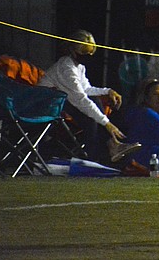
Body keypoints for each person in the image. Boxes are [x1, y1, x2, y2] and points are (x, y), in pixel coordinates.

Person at [38, 29, 141, 163]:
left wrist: (108, 91)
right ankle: (101, 153)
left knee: (93, 105)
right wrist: (107, 123)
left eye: (91, 53)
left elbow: (86, 89)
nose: (89, 56)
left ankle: (108, 148)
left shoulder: (78, 67)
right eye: (85, 53)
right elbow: (80, 99)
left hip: (59, 103)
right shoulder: (66, 68)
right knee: (90, 111)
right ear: (74, 50)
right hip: (45, 106)